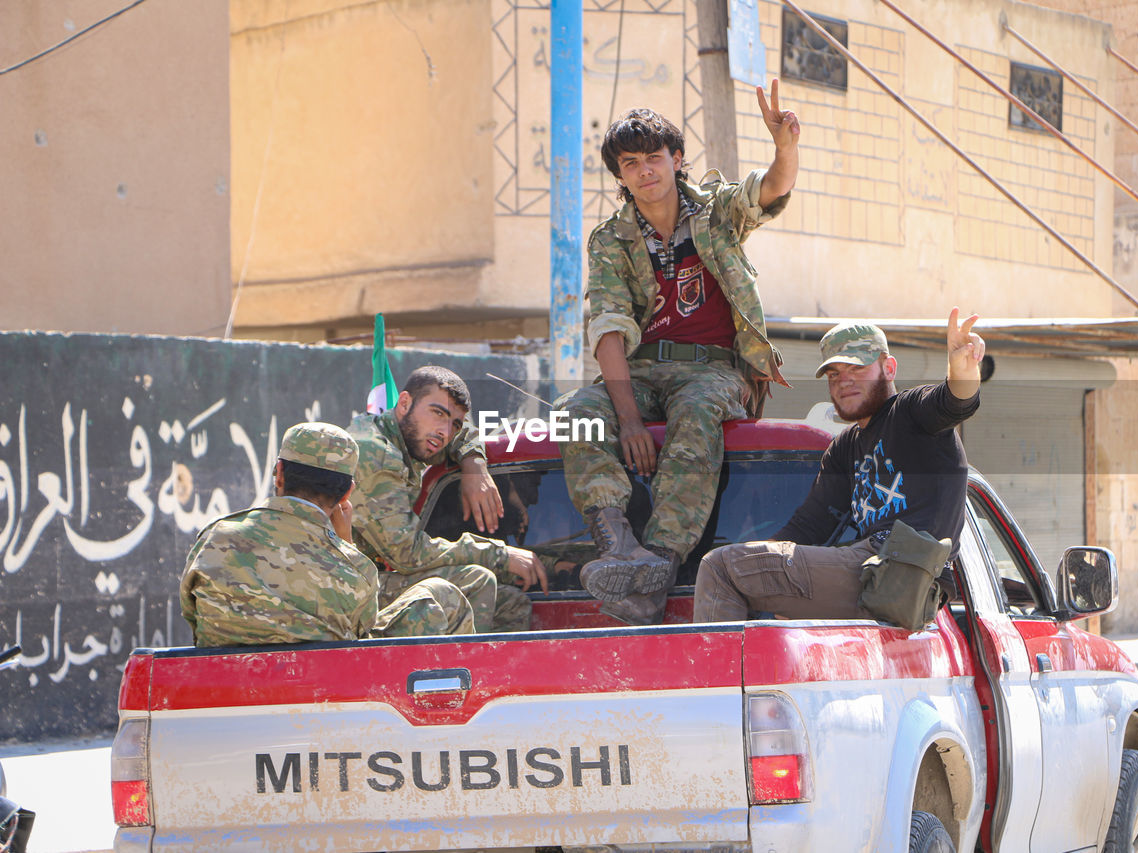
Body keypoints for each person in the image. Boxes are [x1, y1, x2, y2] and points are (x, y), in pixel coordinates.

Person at [557, 79, 801, 625]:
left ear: (676, 159)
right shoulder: (611, 240)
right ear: (620, 175)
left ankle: (661, 563)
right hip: (642, 372)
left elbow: (769, 190)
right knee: (575, 415)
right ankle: (618, 543)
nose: (644, 171)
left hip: (712, 371)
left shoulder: (715, 213)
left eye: (653, 158)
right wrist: (627, 423)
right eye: (629, 163)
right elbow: (610, 327)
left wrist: (784, 145)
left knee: (697, 414)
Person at [693, 309, 985, 624]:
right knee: (765, 601)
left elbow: (954, 402)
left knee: (719, 567)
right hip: (873, 574)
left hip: (902, 570)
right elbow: (809, 527)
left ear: (888, 368)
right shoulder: (844, 448)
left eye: (856, 368)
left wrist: (962, 371)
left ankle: (711, 671)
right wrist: (759, 561)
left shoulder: (910, 412)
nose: (843, 381)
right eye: (834, 374)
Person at [180, 422, 473, 647]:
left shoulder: (215, 538)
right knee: (440, 595)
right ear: (347, 492)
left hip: (223, 689)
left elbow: (192, 616)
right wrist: (344, 546)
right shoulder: (356, 569)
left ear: (279, 473)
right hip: (322, 694)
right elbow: (360, 641)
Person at [347, 366, 547, 633]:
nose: (444, 432)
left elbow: (466, 433)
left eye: (453, 423)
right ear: (404, 403)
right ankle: (465, 672)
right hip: (339, 589)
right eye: (437, 413)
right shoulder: (377, 454)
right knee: (477, 580)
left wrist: (474, 464)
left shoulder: (411, 436)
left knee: (509, 603)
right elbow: (406, 554)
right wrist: (498, 554)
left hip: (367, 578)